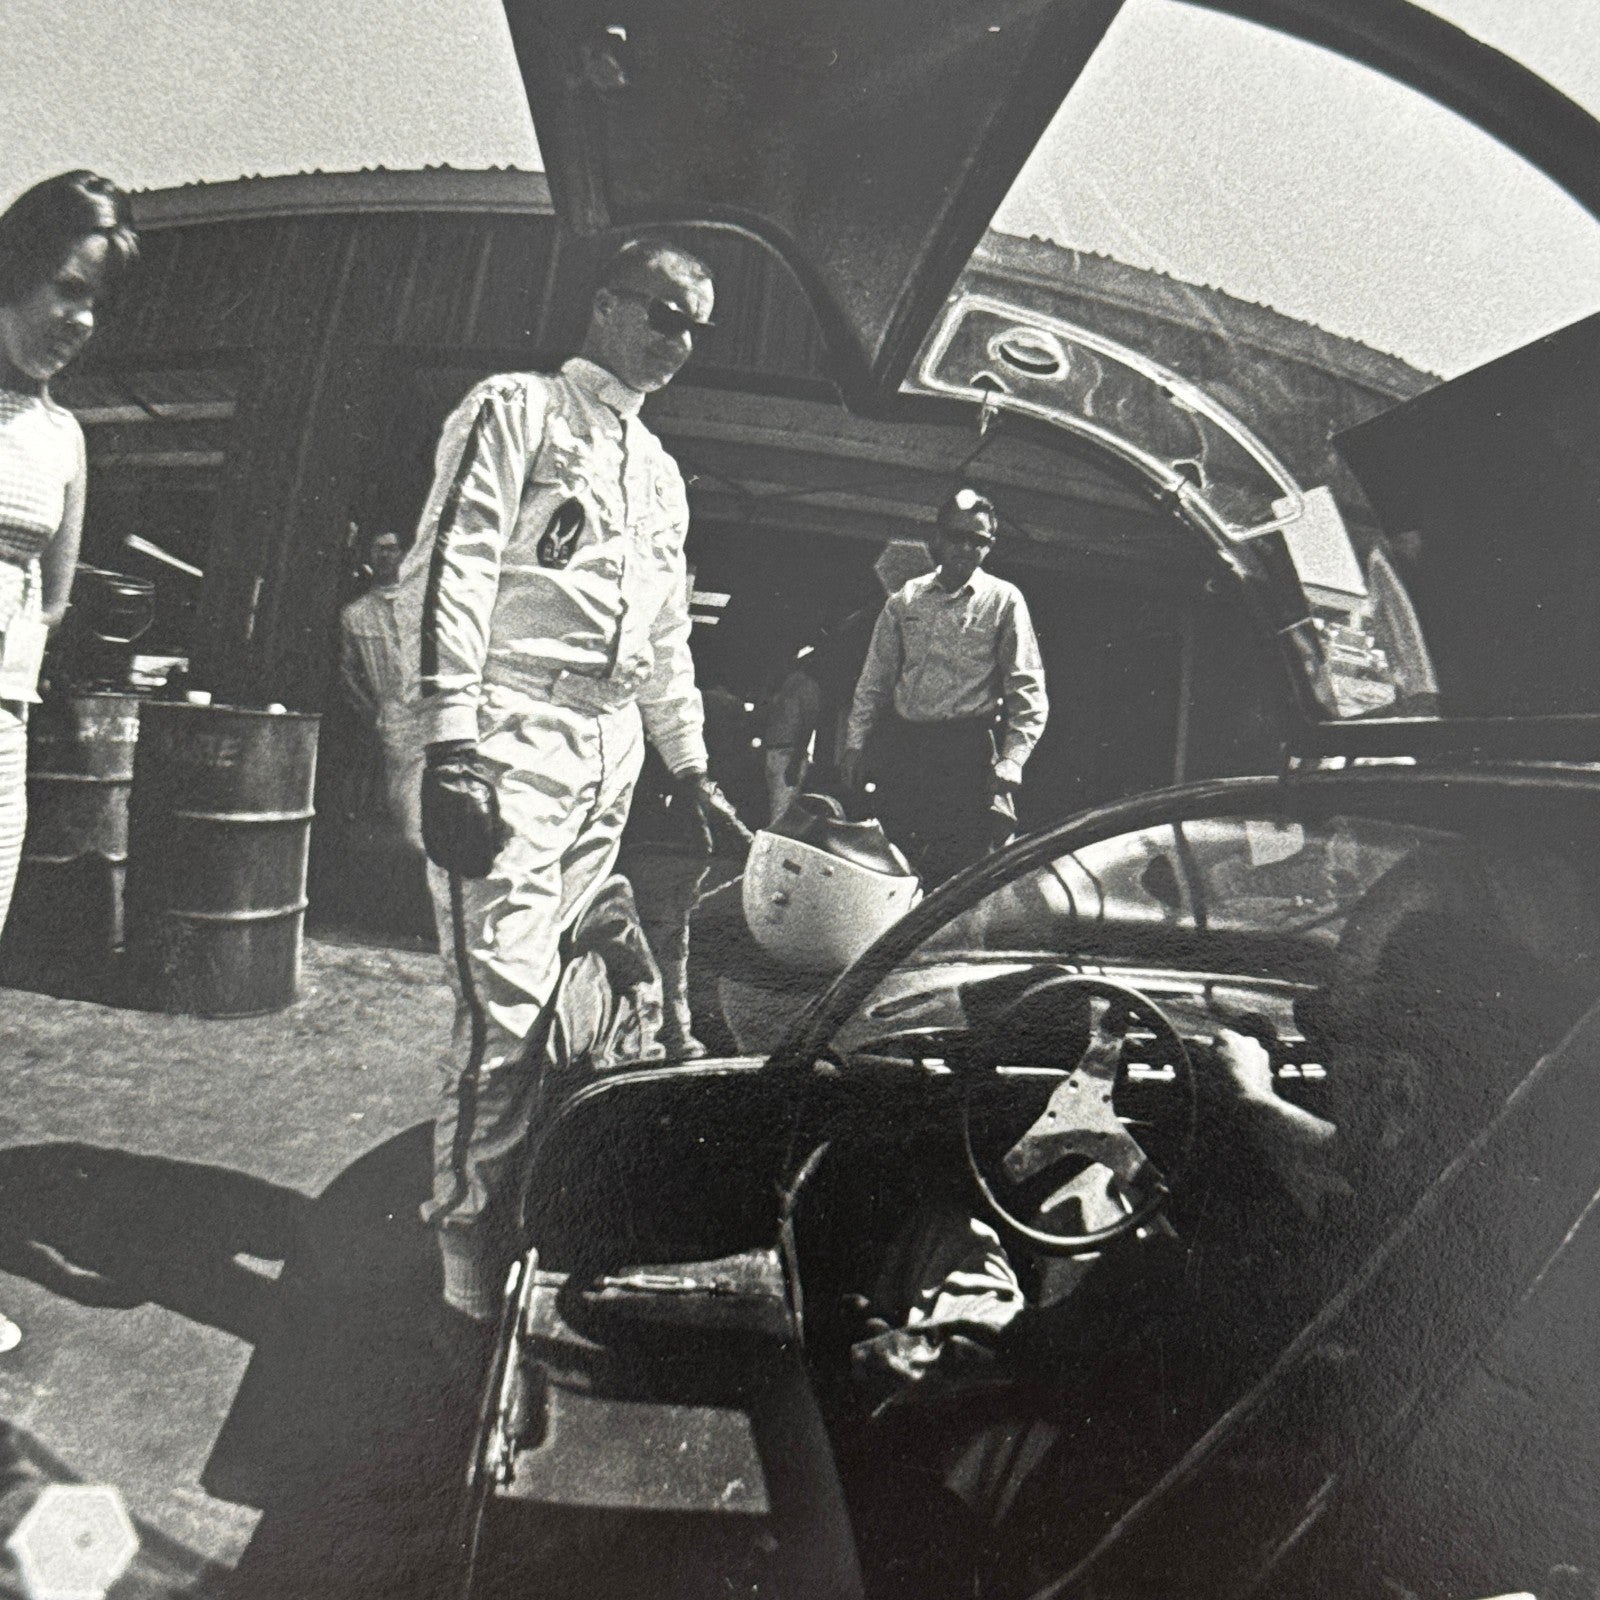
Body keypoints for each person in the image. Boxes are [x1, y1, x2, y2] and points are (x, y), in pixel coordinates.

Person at [395, 235, 747, 1330]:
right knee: (501, 1007)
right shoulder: (516, 409)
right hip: (510, 726)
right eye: (661, 311)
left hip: (608, 748)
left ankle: (518, 1208)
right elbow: (446, 567)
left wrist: (688, 762)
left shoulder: (659, 470)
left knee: (567, 998)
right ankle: (460, 1231)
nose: (677, 339)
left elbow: (666, 638)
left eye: (696, 325)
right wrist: (451, 737)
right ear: (603, 305)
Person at [0, 171, 137, 1357]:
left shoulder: (62, 438)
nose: (79, 320)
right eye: (65, 289)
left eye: (97, 304)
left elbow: (50, 593)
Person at [842, 489, 1048, 884]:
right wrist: (855, 744)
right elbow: (875, 680)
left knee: (960, 870)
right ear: (938, 539)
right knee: (891, 862)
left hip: (966, 754)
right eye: (957, 536)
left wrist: (1013, 758)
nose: (967, 547)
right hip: (906, 749)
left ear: (990, 546)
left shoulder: (1005, 601)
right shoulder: (905, 600)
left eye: (979, 540)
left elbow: (1027, 687)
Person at [338, 529, 424, 845]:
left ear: (403, 554)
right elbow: (347, 674)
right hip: (390, 719)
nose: (383, 556)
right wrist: (374, 713)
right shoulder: (355, 615)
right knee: (401, 811)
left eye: (390, 549)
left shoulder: (421, 605)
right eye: (377, 550)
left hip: (429, 714)